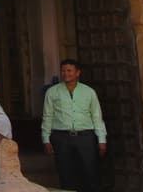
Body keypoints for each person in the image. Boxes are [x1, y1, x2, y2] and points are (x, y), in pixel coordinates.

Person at [40, 58, 105, 192]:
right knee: (66, 174)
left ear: (77, 73)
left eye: (69, 70)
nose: (66, 74)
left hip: (85, 137)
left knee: (90, 172)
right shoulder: (52, 92)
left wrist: (102, 139)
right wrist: (46, 139)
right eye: (63, 71)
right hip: (61, 137)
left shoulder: (89, 92)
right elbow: (47, 116)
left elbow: (97, 116)